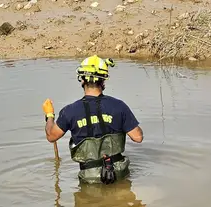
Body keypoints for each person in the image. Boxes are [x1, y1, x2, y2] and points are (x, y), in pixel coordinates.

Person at [42, 55, 143, 184]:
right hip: (119, 173)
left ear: (82, 80)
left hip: (89, 178)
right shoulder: (119, 106)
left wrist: (49, 115)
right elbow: (138, 137)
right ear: (103, 80)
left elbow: (51, 136)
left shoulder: (70, 111)